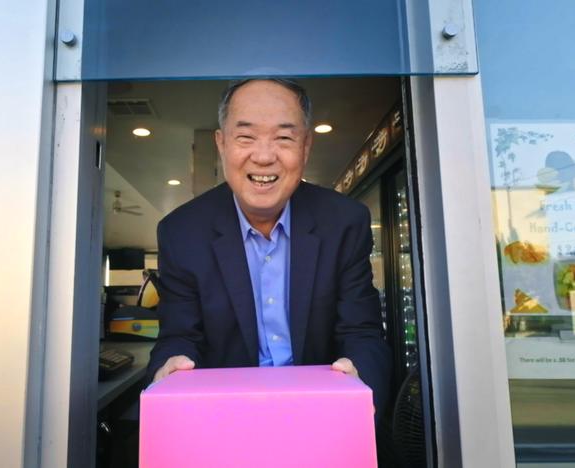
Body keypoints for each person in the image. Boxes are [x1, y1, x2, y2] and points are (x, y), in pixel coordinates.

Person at [146, 78, 391, 415]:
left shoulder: (344, 222)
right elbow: (179, 335)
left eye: (284, 138)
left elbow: (362, 332)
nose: (263, 157)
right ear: (221, 144)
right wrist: (169, 371)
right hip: (226, 416)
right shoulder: (182, 232)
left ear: (305, 147)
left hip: (321, 412)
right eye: (245, 137)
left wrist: (360, 381)